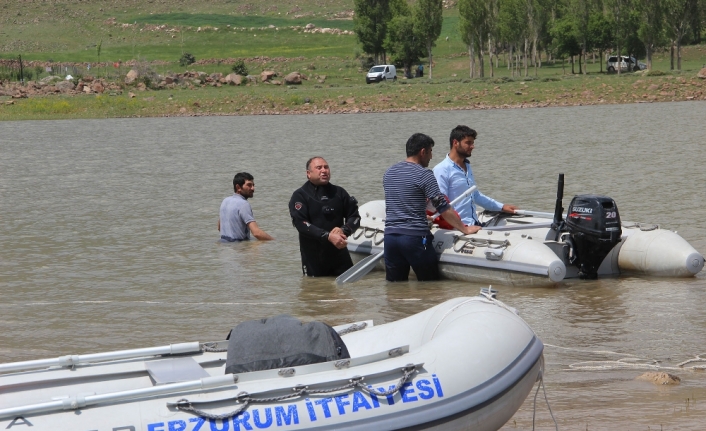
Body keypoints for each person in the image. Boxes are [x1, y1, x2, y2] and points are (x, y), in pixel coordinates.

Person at [383, 133, 480, 282]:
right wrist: (465, 229)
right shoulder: (425, 174)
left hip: (390, 238)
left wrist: (422, 214)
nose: (431, 157)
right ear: (423, 152)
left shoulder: (389, 173)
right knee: (430, 286)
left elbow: (401, 202)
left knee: (396, 287)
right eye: (430, 152)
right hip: (415, 238)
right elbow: (442, 207)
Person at [289, 157, 361, 277]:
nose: (324, 170)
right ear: (308, 173)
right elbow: (301, 223)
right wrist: (328, 236)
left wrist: (344, 229)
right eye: (319, 168)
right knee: (317, 291)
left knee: (346, 293)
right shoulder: (300, 196)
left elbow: (355, 217)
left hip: (340, 256)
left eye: (326, 167)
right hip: (314, 259)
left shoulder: (339, 193)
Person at [433, 125, 518, 226]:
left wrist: (502, 207)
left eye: (472, 143)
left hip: (473, 223)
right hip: (458, 228)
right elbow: (441, 205)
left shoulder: (467, 166)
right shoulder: (441, 169)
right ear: (455, 143)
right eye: (468, 143)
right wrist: (463, 228)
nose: (472, 146)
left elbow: (475, 196)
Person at [218, 172, 273, 242]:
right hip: (237, 247)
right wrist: (274, 242)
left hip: (223, 245)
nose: (253, 188)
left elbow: (220, 227)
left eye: (253, 185)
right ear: (238, 187)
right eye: (249, 185)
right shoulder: (243, 204)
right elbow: (256, 233)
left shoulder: (225, 201)